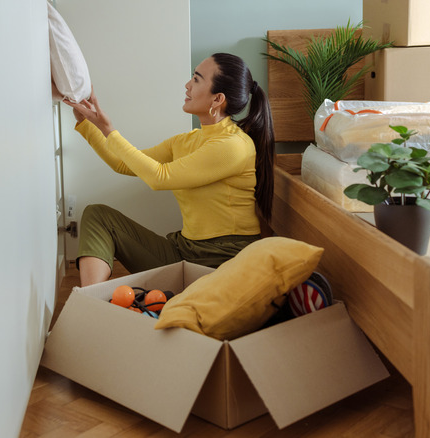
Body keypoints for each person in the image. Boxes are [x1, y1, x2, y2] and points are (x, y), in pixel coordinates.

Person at [64, 52, 274, 286]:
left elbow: (159, 178)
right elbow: (122, 163)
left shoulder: (234, 146)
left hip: (220, 263)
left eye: (196, 79)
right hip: (184, 250)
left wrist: (110, 130)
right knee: (98, 215)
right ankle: (92, 300)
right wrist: (88, 124)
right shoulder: (186, 141)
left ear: (217, 100)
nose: (187, 85)